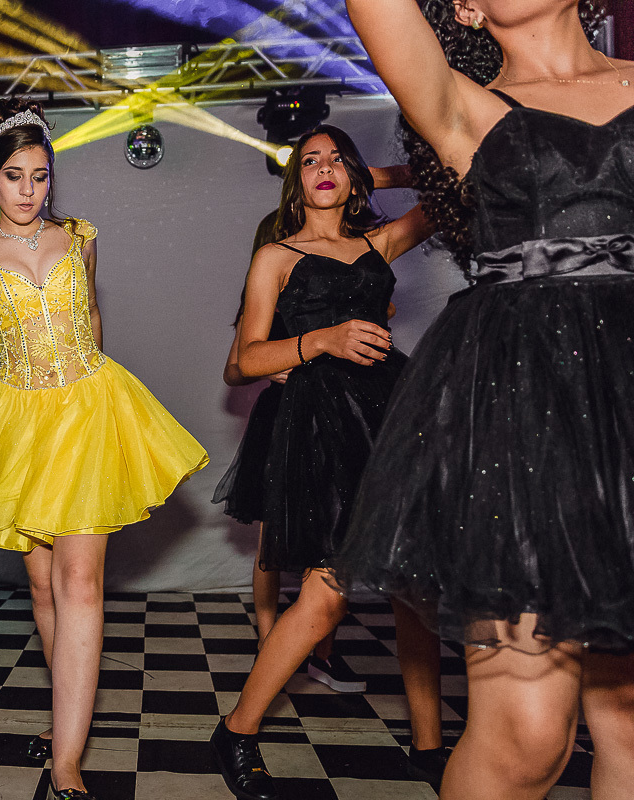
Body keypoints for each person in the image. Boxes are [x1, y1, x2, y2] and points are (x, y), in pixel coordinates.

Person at [336, 2, 634, 798]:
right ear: (466, 6)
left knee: (633, 724)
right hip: (528, 422)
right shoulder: (462, 105)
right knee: (528, 738)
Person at [0, 98, 208, 799]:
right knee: (43, 587)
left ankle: (67, 763)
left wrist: (96, 400)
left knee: (79, 583)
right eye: (14, 176)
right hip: (25, 426)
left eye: (40, 175)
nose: (29, 190)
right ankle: (66, 717)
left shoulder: (81, 236)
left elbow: (90, 314)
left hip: (88, 411)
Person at [209, 125, 447, 800]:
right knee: (330, 585)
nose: (323, 168)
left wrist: (383, 172)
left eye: (335, 160)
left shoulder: (381, 242)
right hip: (321, 422)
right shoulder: (275, 256)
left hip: (392, 413)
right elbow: (245, 361)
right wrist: (323, 340)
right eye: (309, 160)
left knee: (416, 583)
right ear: (295, 181)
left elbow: (456, 189)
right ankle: (239, 730)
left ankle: (429, 746)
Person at [213, 209, 368, 693]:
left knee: (335, 533)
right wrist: (268, 367)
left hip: (339, 411)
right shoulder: (269, 277)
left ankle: (322, 652)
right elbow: (234, 369)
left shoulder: (339, 275)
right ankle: (269, 641)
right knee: (271, 540)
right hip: (284, 417)